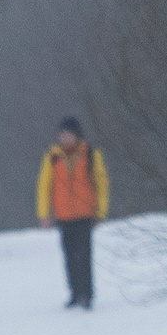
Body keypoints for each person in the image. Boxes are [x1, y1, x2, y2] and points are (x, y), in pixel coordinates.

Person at [35, 117, 109, 309]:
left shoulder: (91, 154)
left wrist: (100, 211)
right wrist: (44, 213)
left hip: (85, 214)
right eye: (62, 135)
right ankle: (75, 293)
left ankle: (87, 295)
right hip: (64, 215)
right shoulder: (52, 156)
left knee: (84, 256)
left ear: (76, 135)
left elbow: (101, 184)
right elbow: (44, 185)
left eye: (68, 135)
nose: (64, 138)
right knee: (69, 257)